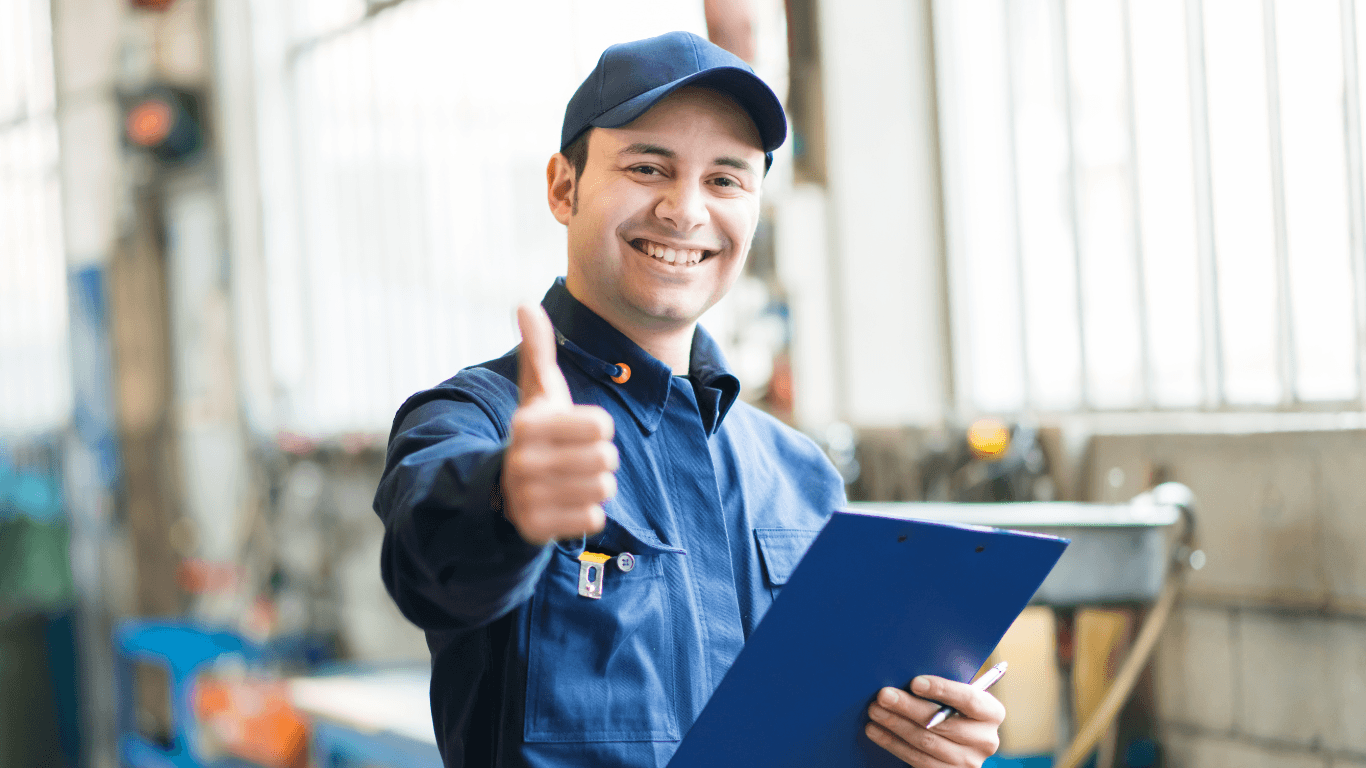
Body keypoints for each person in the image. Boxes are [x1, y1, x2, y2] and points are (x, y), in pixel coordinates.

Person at [373, 30, 1005, 768]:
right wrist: (507, 498)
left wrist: (923, 740)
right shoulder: (476, 421)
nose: (685, 211)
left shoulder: (800, 477)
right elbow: (429, 558)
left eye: (726, 180)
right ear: (563, 187)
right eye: (648, 167)